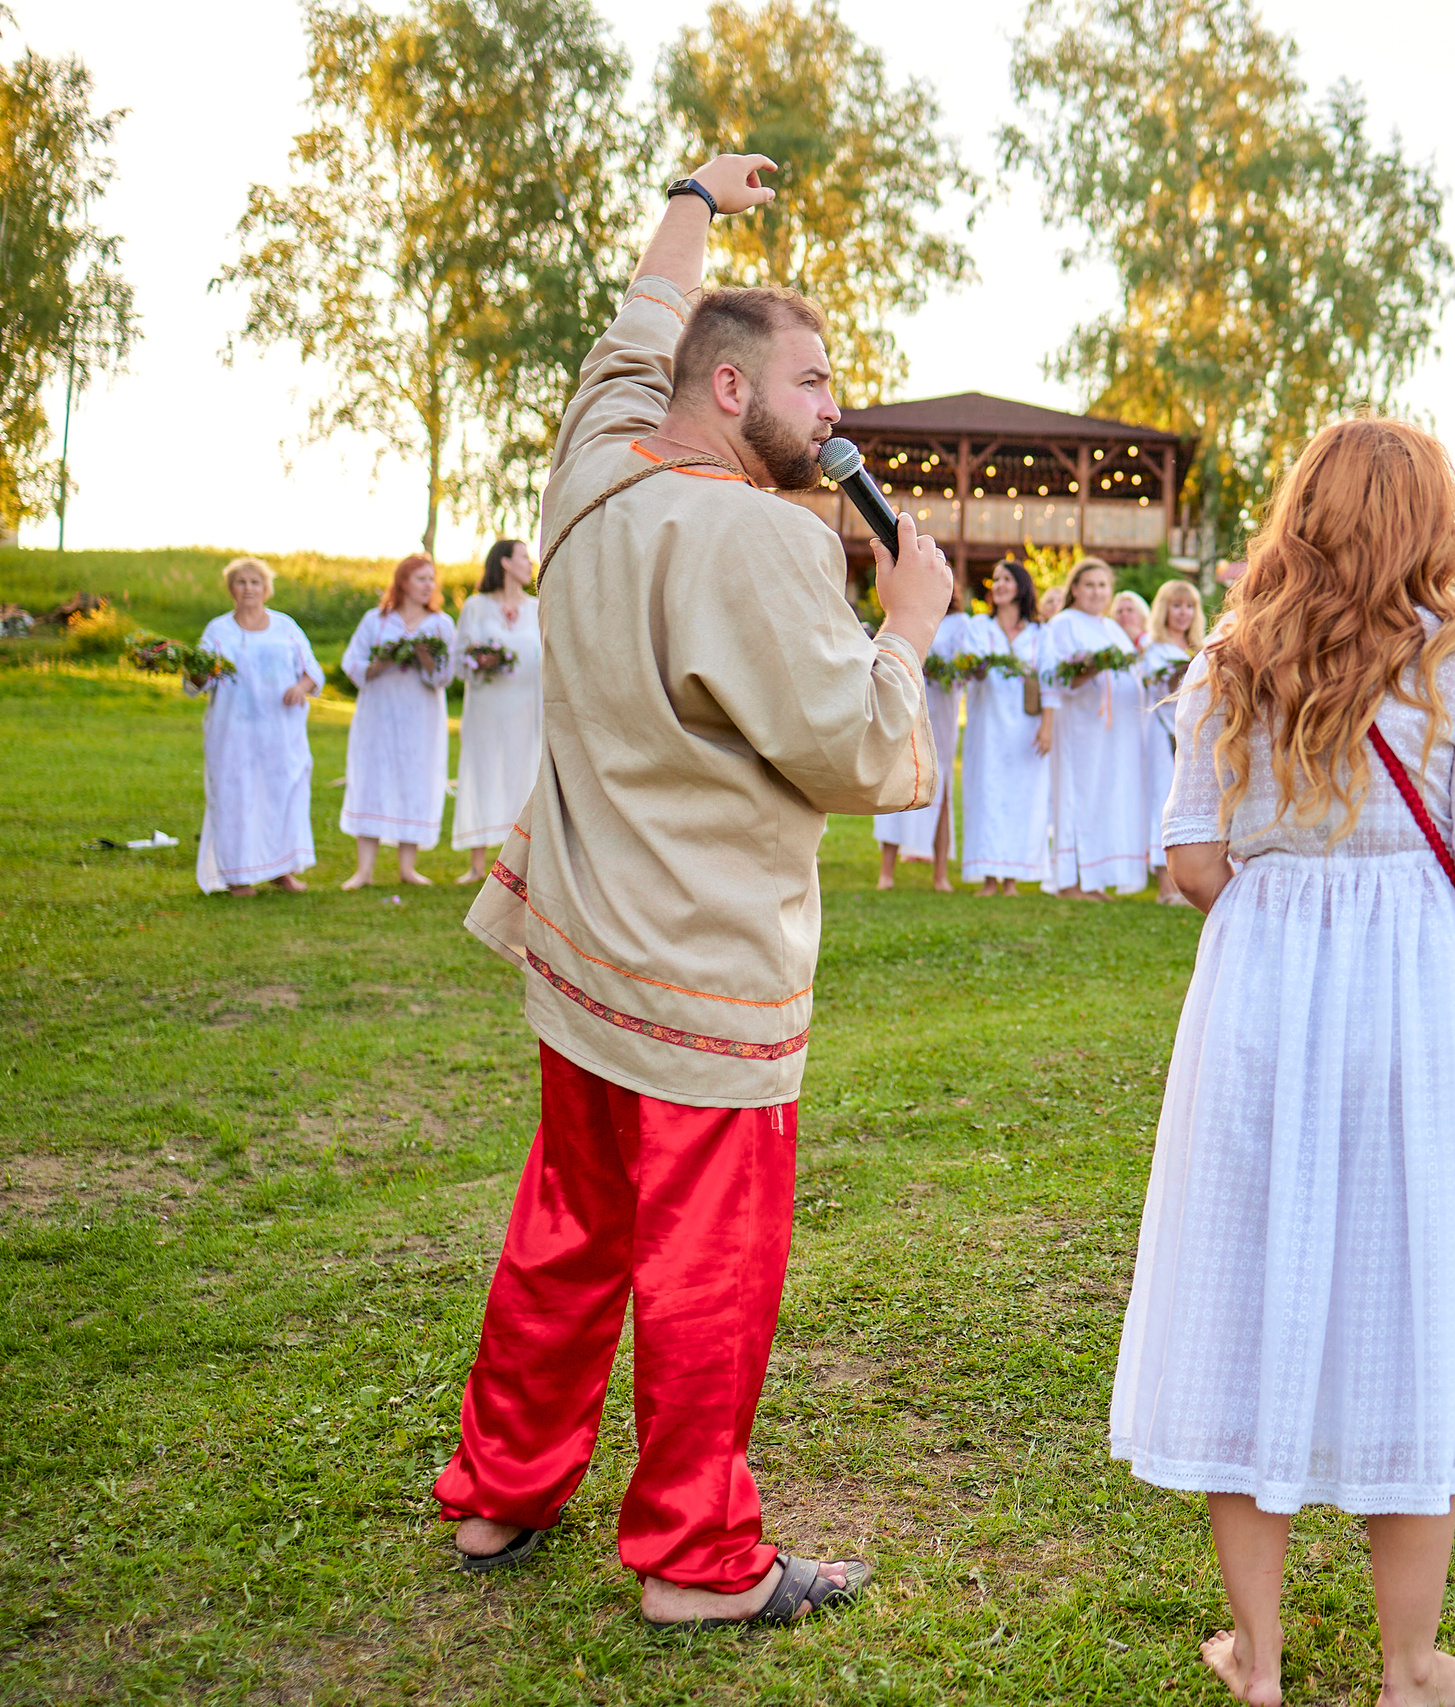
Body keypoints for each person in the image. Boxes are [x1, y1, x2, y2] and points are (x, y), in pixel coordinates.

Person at [437, 154, 946, 1626]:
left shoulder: (589, 464)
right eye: (815, 376)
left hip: (583, 940)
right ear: (730, 393)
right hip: (707, 967)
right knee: (708, 1270)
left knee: (568, 1228)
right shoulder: (771, 535)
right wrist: (905, 623)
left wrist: (691, 196)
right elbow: (856, 744)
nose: (835, 404)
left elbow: (635, 321)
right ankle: (692, 1557)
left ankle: (499, 1493)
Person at [1117, 415, 1455, 1707]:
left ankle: (1260, 1656)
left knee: (1250, 1287)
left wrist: (1288, 899)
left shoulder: (1225, 665)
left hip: (1261, 983)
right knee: (1417, 1285)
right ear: (1429, 524)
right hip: (1415, 992)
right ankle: (1411, 1665)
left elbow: (1193, 864)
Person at [191, 556, 322, 897]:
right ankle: (238, 877)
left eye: (255, 582)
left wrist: (300, 687)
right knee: (236, 798)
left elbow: (313, 672)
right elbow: (196, 679)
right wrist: (196, 671)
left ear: (266, 589)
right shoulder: (218, 630)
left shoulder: (286, 627)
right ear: (230, 589)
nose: (248, 588)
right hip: (233, 733)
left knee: (283, 797)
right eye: (241, 582)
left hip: (281, 732)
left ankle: (282, 870)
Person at [340, 552, 456, 887]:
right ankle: (364, 870)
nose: (428, 585)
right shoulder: (375, 620)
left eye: (431, 579)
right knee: (371, 779)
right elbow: (353, 664)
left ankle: (407, 868)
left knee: (414, 781)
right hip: (378, 714)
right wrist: (382, 662)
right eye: (421, 579)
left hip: (420, 717)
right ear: (403, 582)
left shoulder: (441, 624)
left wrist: (425, 659)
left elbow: (445, 676)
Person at [1042, 558, 1151, 898]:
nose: (1096, 592)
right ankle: (1070, 881)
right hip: (1080, 729)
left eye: (1102, 585)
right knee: (1078, 795)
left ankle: (1097, 877)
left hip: (1115, 735)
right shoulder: (1063, 624)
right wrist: (1090, 668)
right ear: (1074, 588)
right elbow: (1055, 677)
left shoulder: (1112, 628)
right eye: (1089, 585)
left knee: (1106, 797)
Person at [961, 559, 1052, 897]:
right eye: (995, 579)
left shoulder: (1040, 633)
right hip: (987, 726)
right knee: (986, 793)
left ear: (1021, 586)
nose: (998, 584)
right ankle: (988, 876)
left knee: (1022, 796)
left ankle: (1012, 877)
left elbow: (1051, 681)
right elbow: (968, 670)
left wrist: (1047, 726)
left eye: (1006, 579)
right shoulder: (978, 627)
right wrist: (978, 668)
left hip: (1026, 727)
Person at [453, 539, 543, 882]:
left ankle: (524, 864)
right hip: (486, 708)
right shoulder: (476, 607)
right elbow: (460, 662)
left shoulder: (537, 607)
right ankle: (477, 864)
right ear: (505, 563)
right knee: (483, 771)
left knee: (524, 774)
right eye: (523, 557)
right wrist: (481, 661)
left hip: (526, 709)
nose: (529, 564)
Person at [874, 579, 969, 892]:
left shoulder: (959, 624)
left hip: (940, 710)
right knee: (894, 775)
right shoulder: (900, 615)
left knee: (938, 783)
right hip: (903, 702)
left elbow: (964, 666)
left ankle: (940, 873)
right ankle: (886, 872)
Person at [1141, 578, 1207, 903]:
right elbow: (1161, 693)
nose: (1183, 613)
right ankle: (1164, 884)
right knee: (1162, 801)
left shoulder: (1200, 648)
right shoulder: (1154, 649)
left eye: (1189, 606)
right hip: (1162, 734)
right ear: (1164, 609)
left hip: (1192, 736)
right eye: (1176, 606)